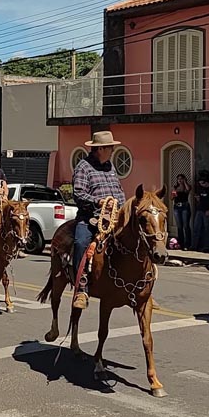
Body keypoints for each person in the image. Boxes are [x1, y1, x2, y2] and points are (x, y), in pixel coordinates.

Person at [71, 131, 126, 310]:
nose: (112, 150)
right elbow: (78, 194)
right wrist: (98, 201)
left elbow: (119, 191)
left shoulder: (110, 166)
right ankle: (81, 288)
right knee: (80, 243)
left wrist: (123, 207)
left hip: (114, 217)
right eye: (110, 147)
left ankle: (138, 286)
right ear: (100, 148)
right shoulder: (83, 167)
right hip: (91, 217)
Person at [192, 170, 209, 252]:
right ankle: (194, 246)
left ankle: (207, 247)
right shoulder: (200, 189)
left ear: (207, 182)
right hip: (200, 210)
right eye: (200, 183)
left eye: (203, 183)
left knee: (207, 230)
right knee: (196, 228)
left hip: (208, 211)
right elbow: (200, 198)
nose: (201, 185)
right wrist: (197, 199)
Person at [171, 174, 192, 250]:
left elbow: (188, 189)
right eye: (178, 179)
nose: (179, 180)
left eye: (181, 179)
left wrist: (185, 182)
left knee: (186, 226)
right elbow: (171, 198)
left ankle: (188, 243)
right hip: (177, 207)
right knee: (179, 226)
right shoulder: (175, 187)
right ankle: (181, 243)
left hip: (184, 206)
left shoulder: (186, 186)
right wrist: (173, 193)